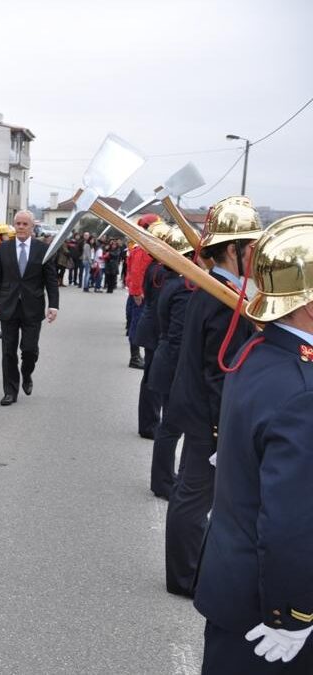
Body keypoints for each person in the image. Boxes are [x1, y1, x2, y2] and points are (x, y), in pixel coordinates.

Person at [192, 214, 313, 674]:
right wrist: (293, 612)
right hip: (268, 611)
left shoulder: (258, 351)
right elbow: (291, 523)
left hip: (231, 582)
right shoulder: (304, 389)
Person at [164, 196, 262, 598]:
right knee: (194, 494)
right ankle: (185, 578)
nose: (256, 254)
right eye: (250, 247)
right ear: (234, 250)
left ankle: (187, 571)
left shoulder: (223, 290)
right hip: (209, 416)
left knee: (193, 491)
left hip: (199, 410)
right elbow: (217, 371)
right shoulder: (222, 298)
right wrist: (224, 431)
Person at [0, 210, 59, 407]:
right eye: (17, 223)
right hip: (7, 306)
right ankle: (10, 391)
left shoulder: (43, 249)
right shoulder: (3, 249)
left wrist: (53, 305)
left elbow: (51, 280)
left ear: (32, 227)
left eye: (25, 224)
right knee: (8, 351)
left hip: (33, 308)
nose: (20, 227)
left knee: (29, 350)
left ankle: (27, 373)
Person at [148, 226, 194, 499]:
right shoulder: (183, 289)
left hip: (167, 360)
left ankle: (162, 479)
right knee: (172, 427)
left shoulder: (174, 282)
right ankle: (164, 482)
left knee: (169, 426)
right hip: (173, 364)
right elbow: (179, 336)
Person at [135, 224, 172, 440]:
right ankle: (149, 424)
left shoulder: (157, 267)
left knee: (151, 378)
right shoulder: (160, 270)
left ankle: (149, 422)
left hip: (152, 329)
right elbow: (160, 306)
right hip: (154, 330)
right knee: (152, 380)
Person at [127, 214, 162, 367]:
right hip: (140, 293)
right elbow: (135, 272)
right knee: (137, 323)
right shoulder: (142, 247)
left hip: (143, 291)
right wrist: (136, 292)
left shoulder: (145, 245)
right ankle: (134, 357)